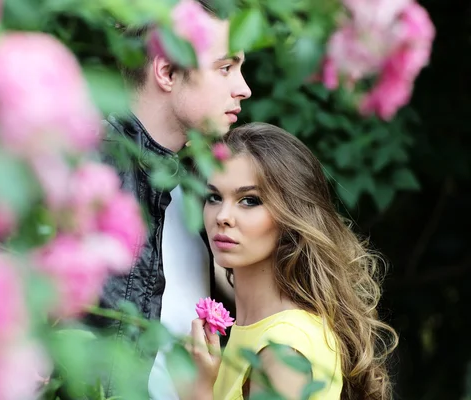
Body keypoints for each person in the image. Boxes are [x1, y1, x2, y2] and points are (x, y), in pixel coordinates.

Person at [81, 1, 252, 398]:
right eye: (225, 68)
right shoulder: (85, 175)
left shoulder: (200, 195)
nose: (243, 87)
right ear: (167, 71)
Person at [187, 123, 399, 400]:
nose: (222, 216)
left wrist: (200, 390)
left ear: (291, 215)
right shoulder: (259, 327)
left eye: (249, 201)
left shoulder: (284, 348)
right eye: (214, 197)